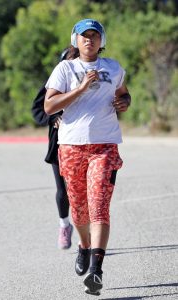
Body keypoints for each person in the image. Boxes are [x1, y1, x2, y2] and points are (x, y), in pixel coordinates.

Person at [44, 19, 131, 295]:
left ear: (101, 40)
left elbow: (124, 94)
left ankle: (96, 270)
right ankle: (83, 246)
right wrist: (80, 89)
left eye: (94, 36)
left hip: (104, 146)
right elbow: (48, 106)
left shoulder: (113, 68)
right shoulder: (65, 68)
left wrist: (124, 102)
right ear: (76, 40)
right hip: (71, 147)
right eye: (84, 36)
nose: (89, 40)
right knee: (79, 210)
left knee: (99, 205)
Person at [31, 47, 79, 249]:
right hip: (58, 143)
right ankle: (64, 225)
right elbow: (37, 109)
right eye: (70, 60)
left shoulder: (90, 80)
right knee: (63, 190)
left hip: (85, 141)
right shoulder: (56, 80)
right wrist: (53, 118)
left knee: (82, 190)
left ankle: (86, 238)